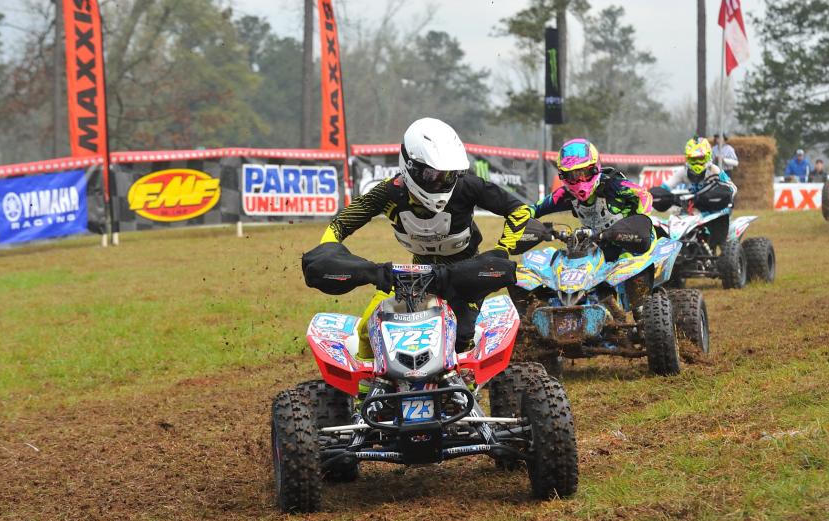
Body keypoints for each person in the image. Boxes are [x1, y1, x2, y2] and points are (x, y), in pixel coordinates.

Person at [302, 117, 532, 355]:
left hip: (466, 274)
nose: (442, 182)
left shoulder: (468, 187)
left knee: (462, 335)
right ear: (410, 166)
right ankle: (367, 391)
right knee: (368, 331)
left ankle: (465, 390)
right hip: (413, 275)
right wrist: (328, 252)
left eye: (449, 175)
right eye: (433, 175)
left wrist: (503, 250)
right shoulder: (389, 192)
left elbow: (519, 209)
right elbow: (341, 224)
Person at [523, 138, 656, 309]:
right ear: (563, 176)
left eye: (584, 173)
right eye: (572, 176)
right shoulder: (564, 195)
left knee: (625, 264)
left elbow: (644, 195)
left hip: (634, 240)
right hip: (597, 242)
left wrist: (639, 220)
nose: (579, 181)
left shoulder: (614, 185)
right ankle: (564, 306)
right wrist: (517, 216)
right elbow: (535, 209)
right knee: (563, 261)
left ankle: (637, 310)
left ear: (595, 168)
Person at [650, 137, 737, 252]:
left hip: (715, 209)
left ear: (707, 157)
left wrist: (716, 194)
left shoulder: (714, 170)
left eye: (700, 158)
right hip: (691, 209)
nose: (697, 162)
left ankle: (717, 252)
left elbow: (732, 188)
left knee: (718, 229)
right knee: (671, 225)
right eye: (693, 159)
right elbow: (664, 188)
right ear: (687, 158)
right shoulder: (682, 172)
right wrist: (661, 196)